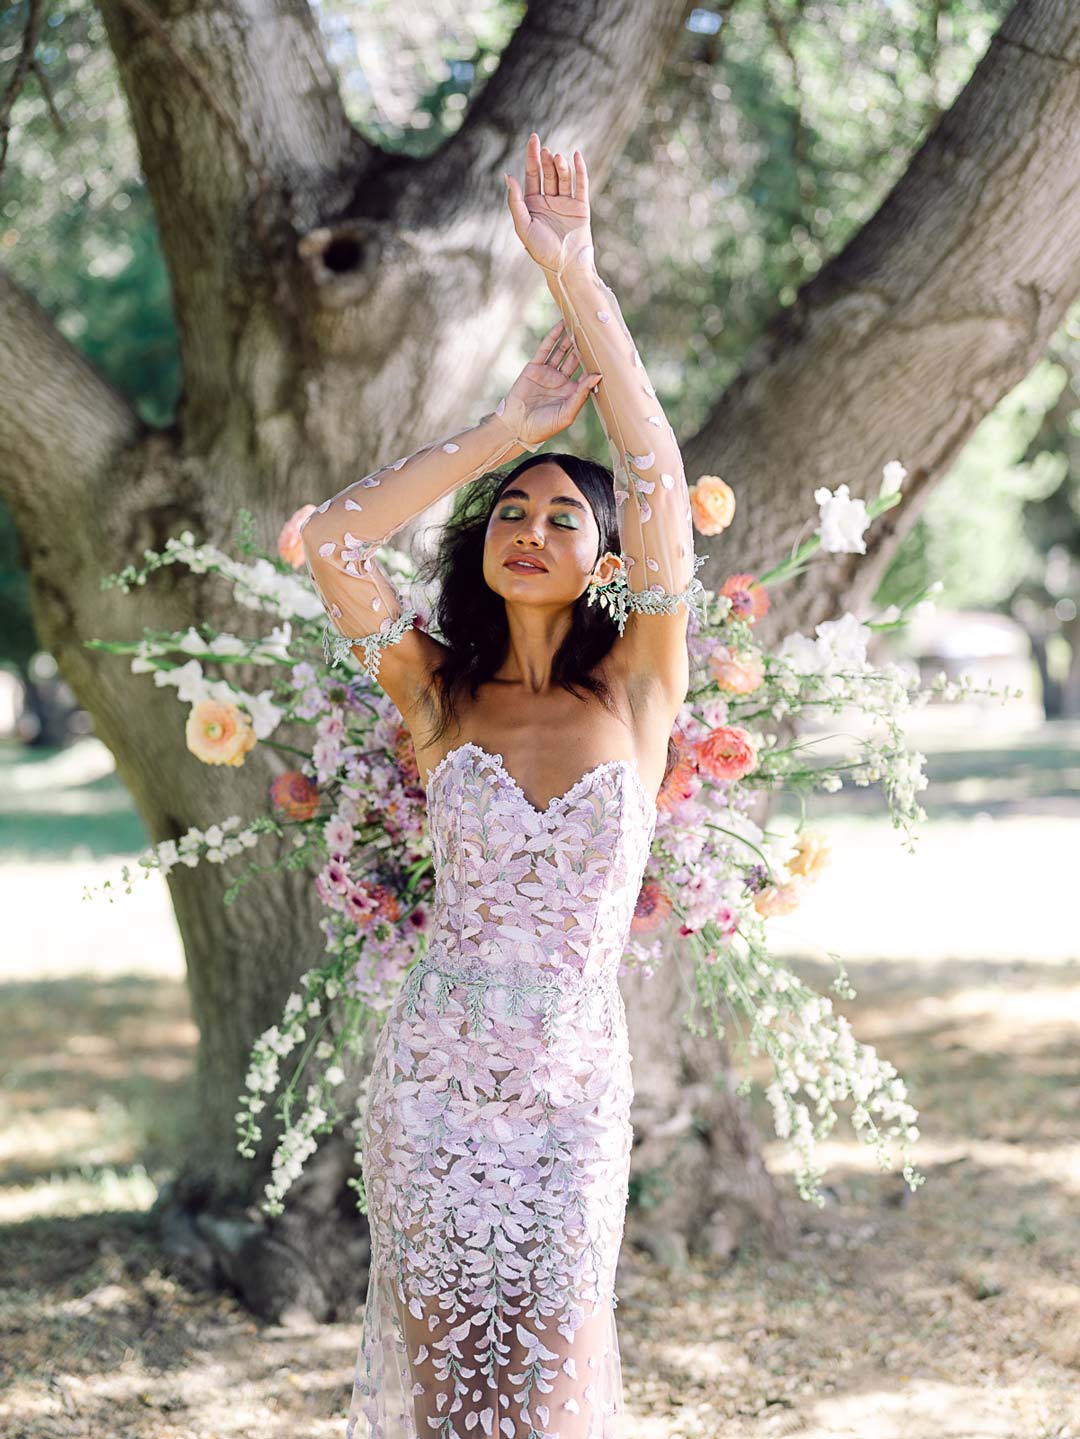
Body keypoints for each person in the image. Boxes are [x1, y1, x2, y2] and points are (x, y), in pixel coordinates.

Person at [301, 132, 706, 1439]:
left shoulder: (638, 687)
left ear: (601, 562)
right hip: (430, 1076)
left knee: (541, 1381)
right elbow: (334, 540)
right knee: (436, 1384)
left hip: (571, 1083)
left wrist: (576, 277)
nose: (529, 529)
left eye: (560, 518)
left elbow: (650, 469)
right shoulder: (438, 696)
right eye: (511, 513)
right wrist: (503, 432)